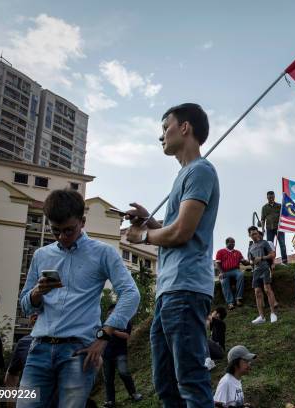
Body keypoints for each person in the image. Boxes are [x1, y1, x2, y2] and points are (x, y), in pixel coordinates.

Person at [125, 103, 219, 407]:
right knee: (165, 386)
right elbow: (177, 228)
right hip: (169, 291)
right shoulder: (184, 175)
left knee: (190, 382)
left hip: (185, 288)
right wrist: (151, 222)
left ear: (185, 128)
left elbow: (182, 233)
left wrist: (144, 235)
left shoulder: (200, 170)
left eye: (165, 127)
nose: (161, 136)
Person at [17, 189, 140, 407]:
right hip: (39, 349)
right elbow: (26, 305)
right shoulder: (41, 255)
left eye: (69, 230)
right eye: (55, 231)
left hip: (78, 351)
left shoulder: (103, 253)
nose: (62, 237)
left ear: (82, 222)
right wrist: (37, 293)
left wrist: (103, 337)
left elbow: (131, 293)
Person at [102, 304, 142, 407]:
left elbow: (126, 336)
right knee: (108, 379)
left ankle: (134, 394)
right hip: (106, 355)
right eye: (109, 313)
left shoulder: (125, 321)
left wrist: (113, 330)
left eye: (113, 312)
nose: (111, 315)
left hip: (120, 353)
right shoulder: (104, 325)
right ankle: (110, 401)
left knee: (123, 373)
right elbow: (100, 340)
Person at [248, 226, 278, 324]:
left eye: (256, 233)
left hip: (265, 268)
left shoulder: (264, 243)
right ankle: (261, 317)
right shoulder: (250, 247)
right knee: (257, 292)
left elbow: (272, 254)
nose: (254, 235)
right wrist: (252, 262)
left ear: (258, 233)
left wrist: (261, 258)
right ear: (249, 235)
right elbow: (250, 260)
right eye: (252, 234)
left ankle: (273, 313)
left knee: (267, 290)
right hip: (256, 271)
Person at [4, 313, 38, 387]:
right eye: (32, 310)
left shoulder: (65, 341)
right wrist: (10, 397)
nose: (35, 313)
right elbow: (12, 374)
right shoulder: (23, 342)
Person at [215, 238, 249, 310]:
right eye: (231, 243)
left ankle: (238, 298)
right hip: (225, 271)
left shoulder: (237, 252)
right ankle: (230, 302)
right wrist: (221, 272)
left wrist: (251, 261)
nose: (233, 244)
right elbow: (217, 264)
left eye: (234, 243)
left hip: (235, 270)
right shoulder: (220, 252)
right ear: (227, 243)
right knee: (224, 281)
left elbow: (244, 262)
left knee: (240, 275)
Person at [261, 191, 288, 265]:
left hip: (279, 228)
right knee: (269, 245)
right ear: (267, 198)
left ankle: (284, 260)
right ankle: (270, 262)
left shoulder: (280, 206)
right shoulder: (264, 208)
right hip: (269, 228)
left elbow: (284, 215)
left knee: (282, 244)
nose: (271, 199)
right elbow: (262, 219)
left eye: (272, 197)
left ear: (274, 197)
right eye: (269, 197)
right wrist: (263, 229)